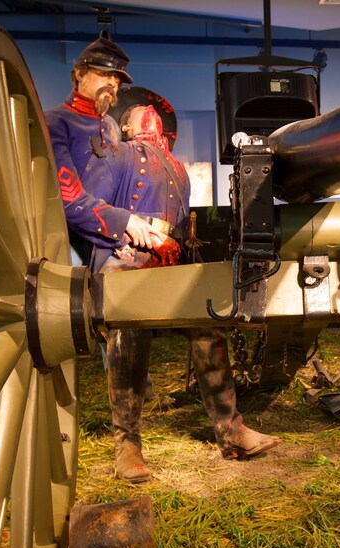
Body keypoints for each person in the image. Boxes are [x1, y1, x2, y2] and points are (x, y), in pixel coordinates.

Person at [44, 35, 280, 484]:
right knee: (129, 333)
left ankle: (230, 429)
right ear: (80, 74)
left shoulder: (147, 151)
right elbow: (75, 198)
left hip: (170, 251)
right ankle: (127, 444)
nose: (112, 83)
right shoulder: (95, 139)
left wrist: (181, 245)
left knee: (208, 324)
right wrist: (129, 227)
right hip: (125, 247)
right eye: (104, 74)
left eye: (117, 78)